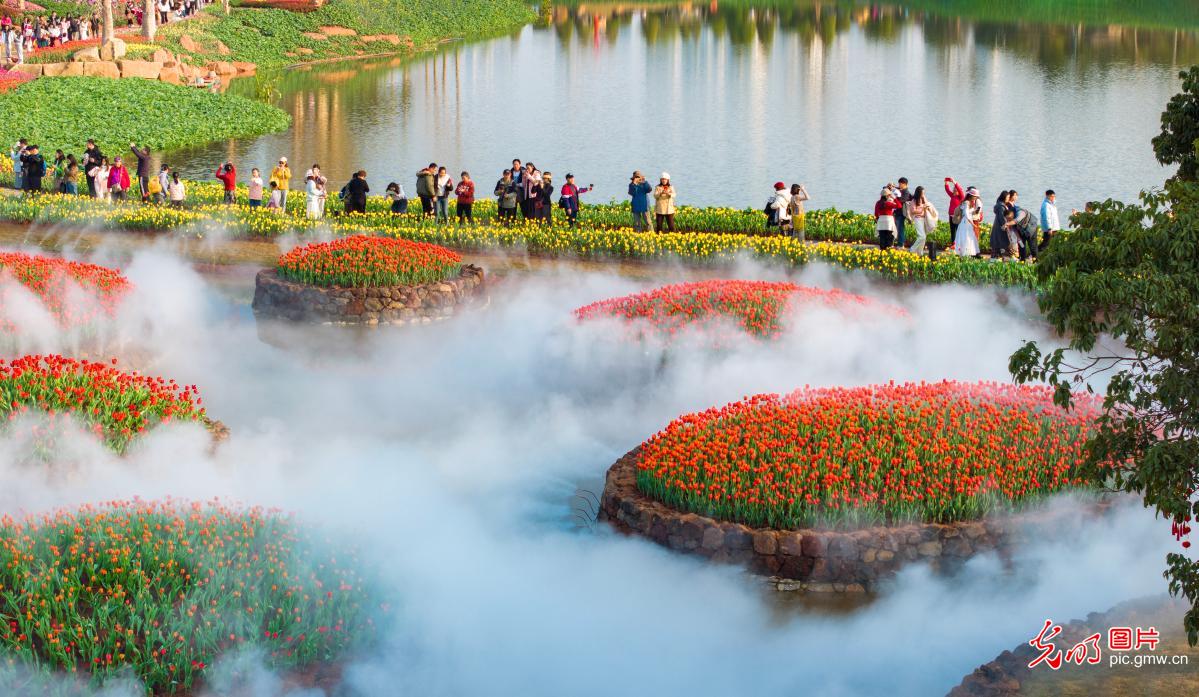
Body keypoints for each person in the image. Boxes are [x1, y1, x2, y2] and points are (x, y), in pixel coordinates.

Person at [907, 186, 938, 256]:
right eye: (922, 193)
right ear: (918, 193)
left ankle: (920, 253)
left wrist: (926, 203)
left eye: (924, 193)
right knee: (922, 236)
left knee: (924, 238)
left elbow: (928, 206)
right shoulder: (914, 201)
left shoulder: (923, 199)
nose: (923, 194)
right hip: (918, 219)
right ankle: (912, 249)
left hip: (924, 219)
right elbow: (913, 211)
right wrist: (922, 209)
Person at [954, 188, 983, 257]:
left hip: (968, 222)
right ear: (971, 196)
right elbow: (966, 215)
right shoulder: (966, 203)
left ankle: (968, 253)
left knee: (969, 237)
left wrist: (976, 211)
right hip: (965, 222)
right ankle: (964, 253)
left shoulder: (969, 203)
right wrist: (973, 224)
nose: (976, 198)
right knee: (966, 237)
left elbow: (970, 213)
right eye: (975, 197)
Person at [990, 191, 1013, 258]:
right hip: (1001, 226)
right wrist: (1006, 225)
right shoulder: (1001, 207)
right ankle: (1008, 256)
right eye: (1008, 197)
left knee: (997, 241)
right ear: (1004, 197)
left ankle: (996, 256)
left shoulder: (1000, 205)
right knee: (1004, 241)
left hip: (997, 226)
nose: (1009, 198)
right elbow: (1002, 218)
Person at [893, 177, 912, 247]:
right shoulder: (900, 190)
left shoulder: (906, 192)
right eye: (899, 183)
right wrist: (893, 187)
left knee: (900, 229)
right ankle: (899, 243)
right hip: (898, 213)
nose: (899, 185)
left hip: (901, 213)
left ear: (904, 184)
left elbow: (902, 201)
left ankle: (901, 244)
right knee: (898, 228)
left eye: (900, 184)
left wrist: (895, 198)